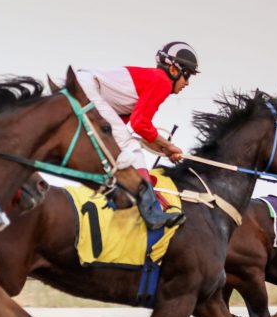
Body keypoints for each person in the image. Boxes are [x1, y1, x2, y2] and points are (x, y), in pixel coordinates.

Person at [75, 41, 198, 230]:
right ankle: (152, 211)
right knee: (131, 148)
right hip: (87, 88)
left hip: (83, 86)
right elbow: (140, 124)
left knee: (124, 144)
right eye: (187, 75)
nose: (187, 83)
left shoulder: (149, 83)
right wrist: (167, 144)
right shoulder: (162, 82)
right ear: (174, 70)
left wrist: (166, 149)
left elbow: (136, 130)